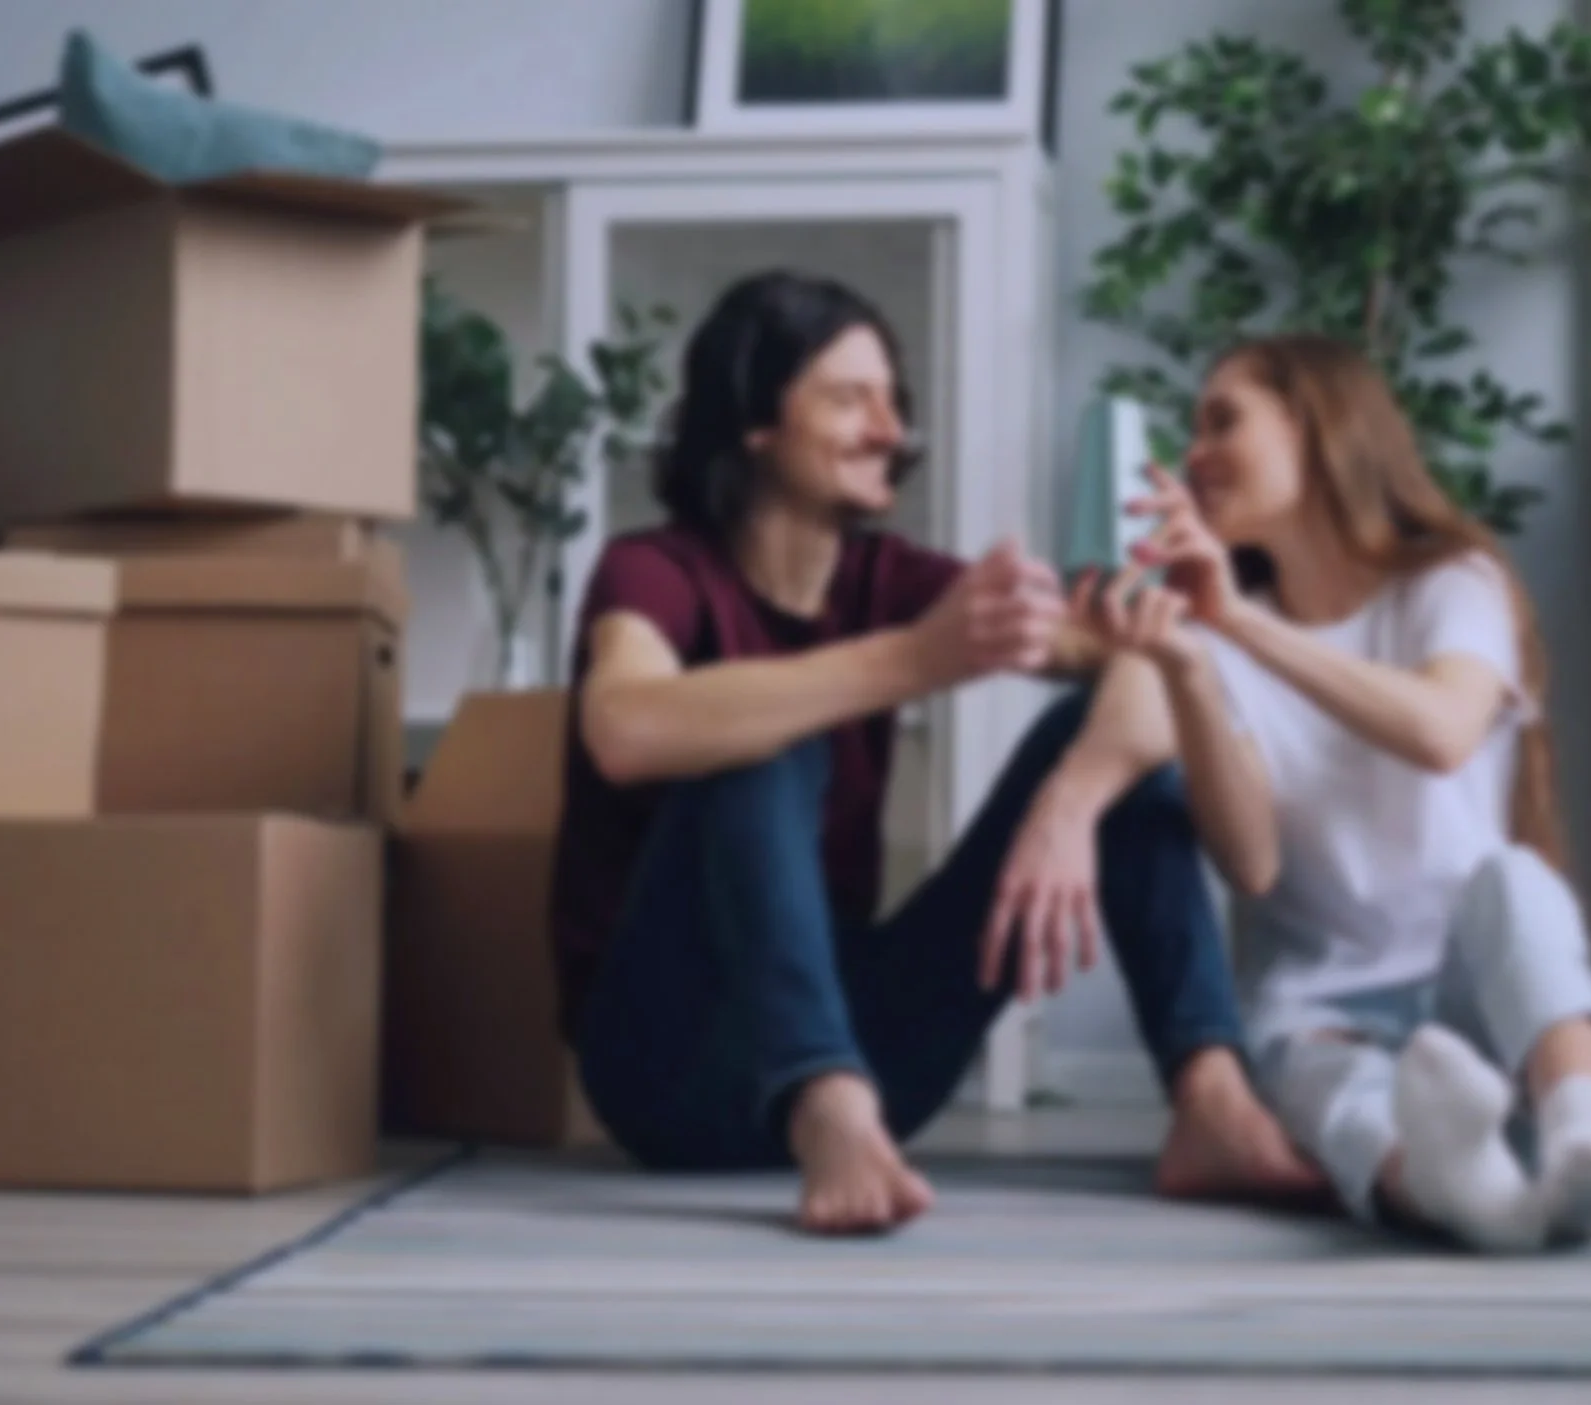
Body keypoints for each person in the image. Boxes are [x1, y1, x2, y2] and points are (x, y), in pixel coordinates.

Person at [549, 270, 1321, 1235]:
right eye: (849, 399)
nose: (891, 429)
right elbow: (625, 728)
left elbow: (1153, 660)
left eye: (894, 400)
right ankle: (824, 1101)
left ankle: (1212, 1099)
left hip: (875, 1057)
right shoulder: (654, 570)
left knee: (1101, 737)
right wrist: (915, 658)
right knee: (763, 734)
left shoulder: (894, 578)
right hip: (663, 1066)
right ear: (754, 421)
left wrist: (1071, 802)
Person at [1071, 334, 1591, 1254]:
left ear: (1317, 428)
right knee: (1320, 1076)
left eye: (1224, 421)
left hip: (1479, 973)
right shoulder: (1221, 641)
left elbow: (1440, 731)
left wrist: (1241, 627)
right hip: (1326, 1002)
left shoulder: (1450, 583)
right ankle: (1453, 1194)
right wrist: (1191, 666)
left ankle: (1584, 1130)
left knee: (1516, 881)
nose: (1194, 454)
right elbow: (1252, 862)